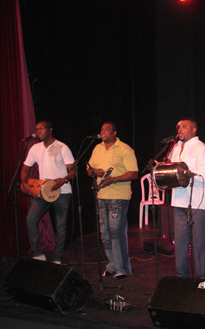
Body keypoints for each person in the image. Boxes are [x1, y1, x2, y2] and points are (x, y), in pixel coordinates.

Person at [87, 122, 138, 280]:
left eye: (107, 129)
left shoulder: (125, 149)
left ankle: (122, 268)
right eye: (101, 129)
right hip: (101, 196)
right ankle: (111, 266)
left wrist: (114, 179)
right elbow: (88, 169)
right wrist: (94, 171)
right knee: (105, 235)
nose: (103, 132)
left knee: (116, 233)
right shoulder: (97, 148)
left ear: (115, 132)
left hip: (118, 197)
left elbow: (134, 173)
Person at [21, 120, 75, 264]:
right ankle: (37, 254)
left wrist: (63, 179)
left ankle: (57, 258)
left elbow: (73, 171)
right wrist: (25, 184)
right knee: (31, 219)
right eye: (37, 129)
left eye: (42, 129)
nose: (38, 131)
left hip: (62, 192)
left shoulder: (62, 147)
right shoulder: (35, 148)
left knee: (60, 225)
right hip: (43, 191)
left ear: (50, 130)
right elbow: (25, 168)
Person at [167, 118, 205, 279]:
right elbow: (170, 171)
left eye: (184, 127)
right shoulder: (175, 148)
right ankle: (182, 277)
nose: (180, 129)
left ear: (193, 130)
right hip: (179, 201)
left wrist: (184, 172)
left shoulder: (201, 148)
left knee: (198, 243)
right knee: (180, 243)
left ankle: (202, 278)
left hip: (198, 202)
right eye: (179, 127)